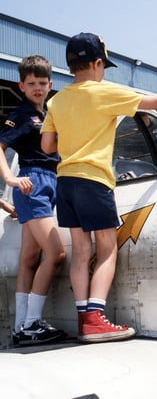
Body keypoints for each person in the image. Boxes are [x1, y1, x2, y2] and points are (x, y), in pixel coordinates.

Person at [40, 32, 157, 344]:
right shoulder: (104, 92)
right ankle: (95, 319)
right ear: (97, 64)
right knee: (107, 249)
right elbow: (155, 102)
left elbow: (47, 144)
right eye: (103, 66)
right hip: (94, 180)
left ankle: (84, 318)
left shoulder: (56, 100)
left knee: (81, 252)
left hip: (64, 182)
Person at [0, 55, 66, 345]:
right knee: (56, 254)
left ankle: (20, 329)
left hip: (49, 182)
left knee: (29, 259)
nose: (38, 88)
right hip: (33, 182)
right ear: (21, 86)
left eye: (42, 83)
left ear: (50, 84)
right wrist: (10, 179)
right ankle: (31, 323)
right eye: (32, 84)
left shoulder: (50, 113)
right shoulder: (25, 115)